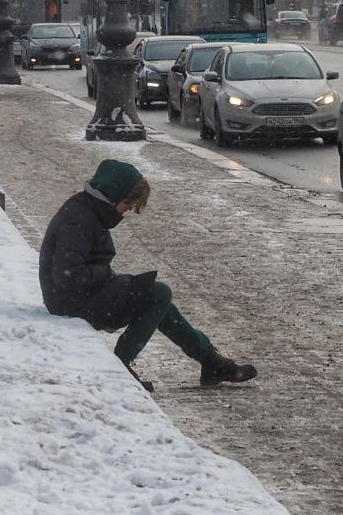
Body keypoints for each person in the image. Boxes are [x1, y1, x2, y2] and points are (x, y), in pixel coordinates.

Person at [38, 159, 257, 393]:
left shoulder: (87, 210)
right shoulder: (80, 220)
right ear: (112, 195)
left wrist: (104, 274)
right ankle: (120, 366)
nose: (129, 210)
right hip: (69, 302)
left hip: (79, 295)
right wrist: (104, 272)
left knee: (154, 298)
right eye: (128, 203)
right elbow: (67, 276)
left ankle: (211, 362)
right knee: (158, 293)